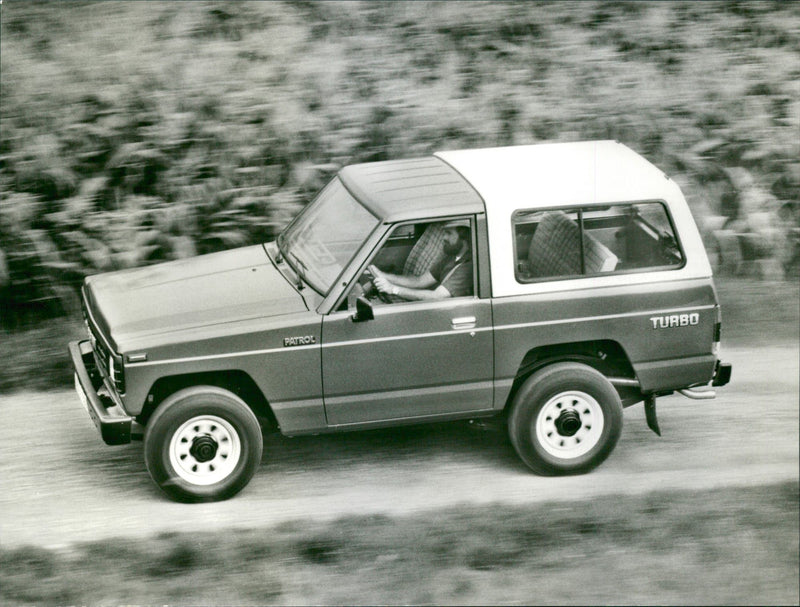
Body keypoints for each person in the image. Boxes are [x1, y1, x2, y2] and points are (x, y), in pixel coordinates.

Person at [368, 219, 473, 301]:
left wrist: (393, 289)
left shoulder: (467, 266)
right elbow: (420, 281)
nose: (444, 238)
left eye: (449, 233)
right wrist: (383, 275)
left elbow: (436, 297)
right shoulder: (450, 256)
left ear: (464, 237)